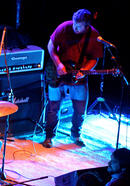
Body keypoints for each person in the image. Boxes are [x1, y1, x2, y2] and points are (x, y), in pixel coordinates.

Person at [43, 9, 103, 148]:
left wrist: (85, 71)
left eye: (78, 26)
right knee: (53, 107)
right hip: (57, 73)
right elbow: (50, 46)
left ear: (87, 26)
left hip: (78, 77)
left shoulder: (94, 35)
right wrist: (58, 64)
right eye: (74, 23)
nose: (74, 27)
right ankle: (49, 136)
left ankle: (76, 134)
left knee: (80, 109)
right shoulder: (64, 27)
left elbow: (94, 59)